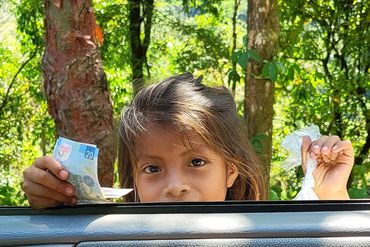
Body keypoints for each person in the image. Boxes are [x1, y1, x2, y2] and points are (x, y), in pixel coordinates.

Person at [22, 72, 354, 209]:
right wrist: (57, 210)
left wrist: (329, 196)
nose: (175, 186)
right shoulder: (114, 237)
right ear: (132, 180)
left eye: (196, 162)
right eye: (152, 168)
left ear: (231, 171)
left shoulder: (266, 235)